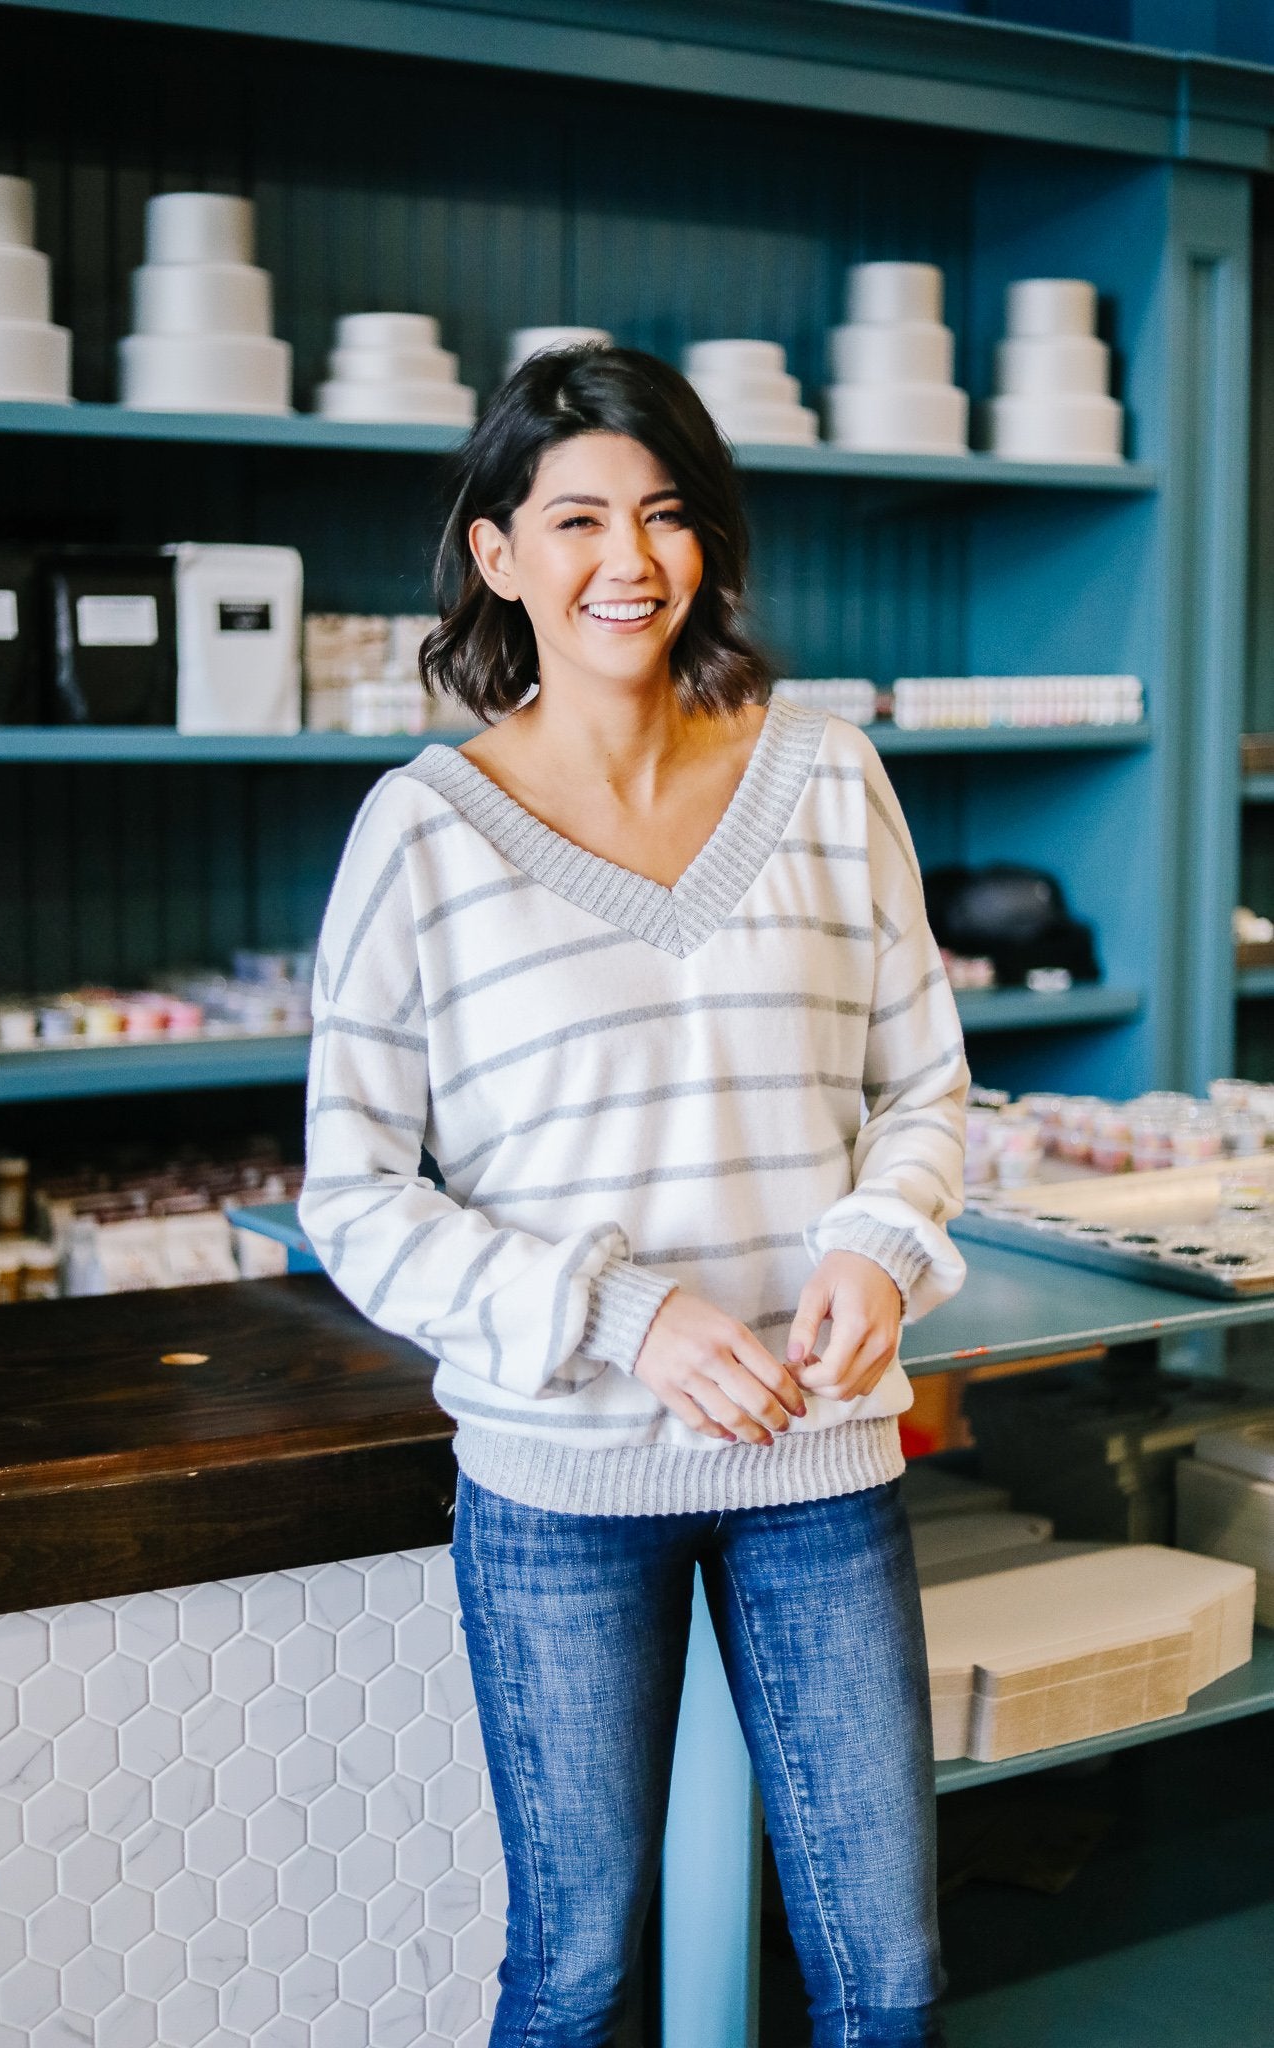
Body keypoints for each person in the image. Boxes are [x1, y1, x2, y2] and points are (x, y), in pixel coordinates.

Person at [299, 345, 970, 2048]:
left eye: (667, 515)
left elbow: (921, 1087)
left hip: (819, 1462)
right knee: (577, 1973)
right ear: (494, 553)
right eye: (578, 515)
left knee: (884, 1982)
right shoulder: (422, 834)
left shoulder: (826, 779)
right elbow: (357, 1193)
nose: (631, 558)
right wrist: (618, 1312)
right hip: (561, 1480)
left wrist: (880, 1246)